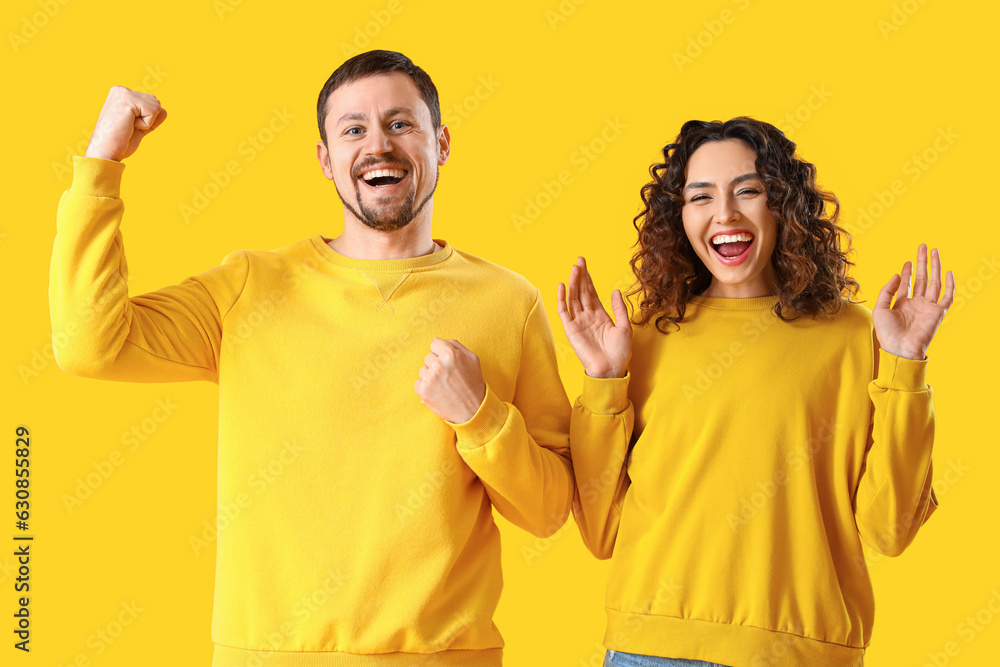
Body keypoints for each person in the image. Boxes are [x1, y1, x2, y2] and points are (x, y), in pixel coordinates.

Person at [49, 50, 573, 666]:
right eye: (353, 130)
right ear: (326, 159)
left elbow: (548, 510)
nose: (378, 145)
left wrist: (480, 416)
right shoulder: (251, 287)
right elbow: (90, 346)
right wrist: (101, 165)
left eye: (401, 124)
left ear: (442, 143)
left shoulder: (509, 303)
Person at [557, 117, 953, 667]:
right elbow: (602, 533)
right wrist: (604, 380)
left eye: (748, 191)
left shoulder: (856, 336)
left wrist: (905, 364)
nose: (725, 214)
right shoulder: (641, 337)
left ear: (783, 206)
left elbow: (889, 530)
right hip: (652, 650)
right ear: (680, 218)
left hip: (801, 652)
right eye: (701, 197)